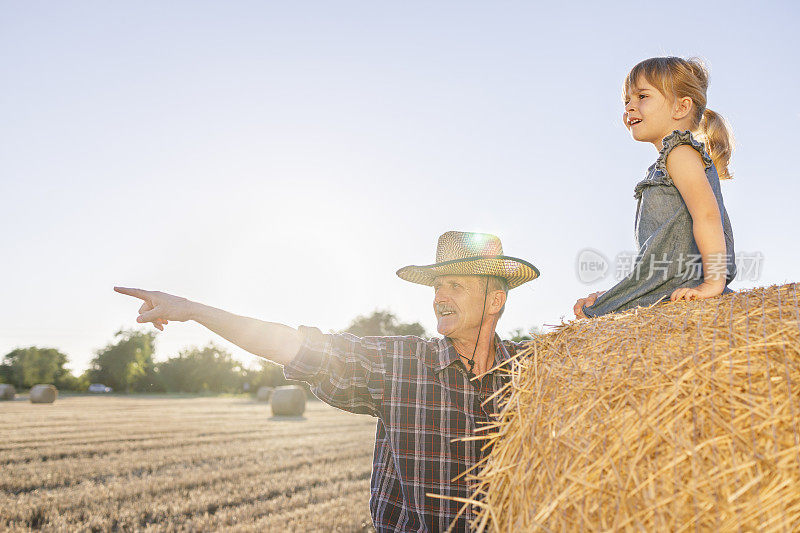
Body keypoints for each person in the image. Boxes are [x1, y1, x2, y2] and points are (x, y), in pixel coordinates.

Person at [115, 230, 540, 532]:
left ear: (495, 299)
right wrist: (193, 310)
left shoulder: (537, 370)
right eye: (437, 286)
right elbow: (294, 346)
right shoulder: (404, 362)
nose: (438, 296)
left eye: (456, 286)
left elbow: (603, 372)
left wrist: (601, 311)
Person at [574, 56, 736, 318]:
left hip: (677, 285)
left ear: (681, 107)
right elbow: (657, 253)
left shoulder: (680, 153)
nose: (630, 107)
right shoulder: (667, 162)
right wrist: (620, 294)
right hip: (663, 283)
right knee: (592, 309)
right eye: (627, 100)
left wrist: (714, 282)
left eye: (642, 97)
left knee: (593, 313)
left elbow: (707, 215)